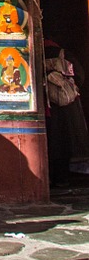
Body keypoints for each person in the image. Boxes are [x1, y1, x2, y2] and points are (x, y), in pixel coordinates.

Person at [44, 36, 89, 188]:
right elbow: (80, 76)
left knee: (50, 140)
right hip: (65, 106)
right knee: (64, 141)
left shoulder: (36, 54)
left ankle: (47, 177)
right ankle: (62, 178)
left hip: (46, 106)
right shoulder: (64, 54)